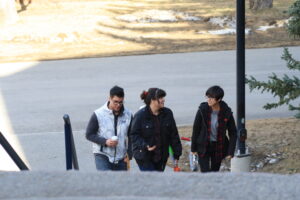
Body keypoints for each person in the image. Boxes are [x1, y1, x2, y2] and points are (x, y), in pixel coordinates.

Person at [130, 88, 182, 171]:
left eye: (163, 97)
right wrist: (145, 145)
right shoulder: (140, 115)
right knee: (151, 180)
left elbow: (174, 135)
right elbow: (134, 135)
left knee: (157, 180)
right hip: (144, 157)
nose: (163, 100)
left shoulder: (168, 113)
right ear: (152, 100)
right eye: (160, 98)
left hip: (161, 157)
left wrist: (177, 154)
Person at [85, 86, 132, 171]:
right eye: (115, 102)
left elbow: (132, 135)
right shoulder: (98, 114)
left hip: (121, 157)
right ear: (109, 98)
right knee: (106, 182)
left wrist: (130, 153)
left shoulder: (128, 114)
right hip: (102, 155)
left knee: (120, 184)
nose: (118, 105)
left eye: (121, 102)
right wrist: (105, 142)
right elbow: (89, 134)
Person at [191, 86, 237, 172]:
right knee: (205, 172)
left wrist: (231, 151)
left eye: (211, 98)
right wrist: (193, 148)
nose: (208, 100)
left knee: (214, 172)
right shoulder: (202, 109)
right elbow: (196, 129)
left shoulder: (226, 112)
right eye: (207, 97)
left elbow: (233, 132)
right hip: (203, 145)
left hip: (218, 147)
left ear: (219, 99)